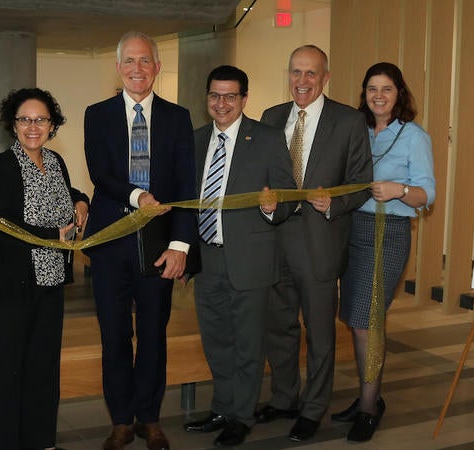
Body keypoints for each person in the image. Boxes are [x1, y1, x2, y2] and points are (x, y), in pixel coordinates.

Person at [82, 31, 197, 450]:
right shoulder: (97, 114)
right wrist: (138, 196)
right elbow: (100, 173)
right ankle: (120, 420)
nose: (136, 69)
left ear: (157, 67)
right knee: (113, 336)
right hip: (111, 243)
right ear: (118, 67)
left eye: (145, 61)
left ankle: (149, 418)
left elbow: (187, 184)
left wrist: (181, 245)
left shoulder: (177, 117)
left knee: (153, 334)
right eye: (129, 61)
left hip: (159, 246)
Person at [256, 44, 373, 442]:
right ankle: (285, 397)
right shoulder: (271, 117)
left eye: (311, 74)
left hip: (321, 239)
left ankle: (313, 407)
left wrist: (334, 202)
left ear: (325, 78)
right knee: (279, 327)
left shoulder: (349, 121)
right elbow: (262, 176)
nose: (302, 81)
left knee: (320, 333)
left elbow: (361, 182)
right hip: (275, 239)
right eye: (295, 72)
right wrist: (265, 198)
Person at [182, 65, 297, 447]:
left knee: (248, 343)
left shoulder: (266, 139)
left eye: (230, 96)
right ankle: (223, 406)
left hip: (251, 259)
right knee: (216, 341)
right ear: (207, 98)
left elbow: (287, 195)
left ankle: (241, 416)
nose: (222, 103)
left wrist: (270, 207)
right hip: (208, 258)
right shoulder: (195, 140)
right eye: (215, 95)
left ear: (244, 99)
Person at [0, 88, 89, 450]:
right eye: (24, 119)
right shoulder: (0, 167)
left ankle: (42, 441)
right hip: (11, 287)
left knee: (44, 371)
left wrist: (81, 199)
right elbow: (3, 224)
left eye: (40, 119)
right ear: (13, 125)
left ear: (52, 124)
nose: (32, 126)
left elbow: (60, 190)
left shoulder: (55, 161)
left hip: (50, 283)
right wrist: (51, 234)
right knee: (10, 374)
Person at [332, 62, 435, 442]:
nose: (378, 95)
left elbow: (428, 194)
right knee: (355, 318)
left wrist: (399, 190)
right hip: (352, 229)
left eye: (386, 89)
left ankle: (369, 407)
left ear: (399, 94)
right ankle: (368, 395)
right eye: (372, 88)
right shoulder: (355, 131)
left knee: (368, 320)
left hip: (387, 232)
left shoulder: (413, 137)